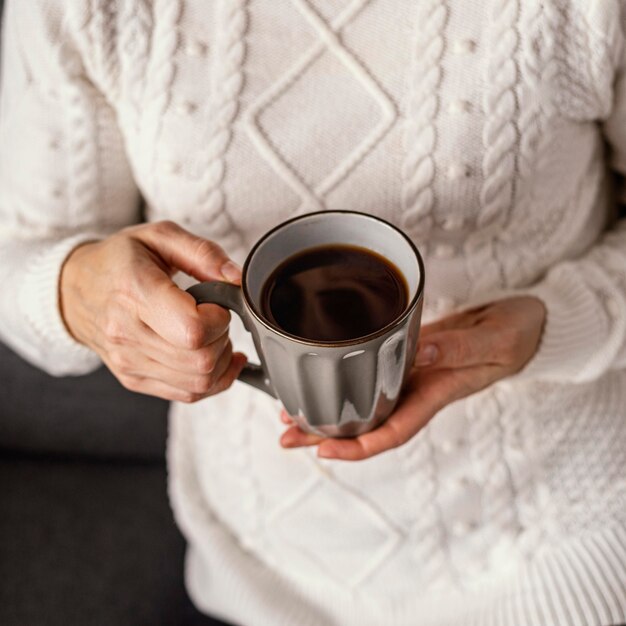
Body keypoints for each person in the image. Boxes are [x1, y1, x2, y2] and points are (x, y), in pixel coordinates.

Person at [1, 1, 625, 625]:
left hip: (563, 539)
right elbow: (18, 251)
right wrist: (75, 290)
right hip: (261, 562)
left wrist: (555, 322)